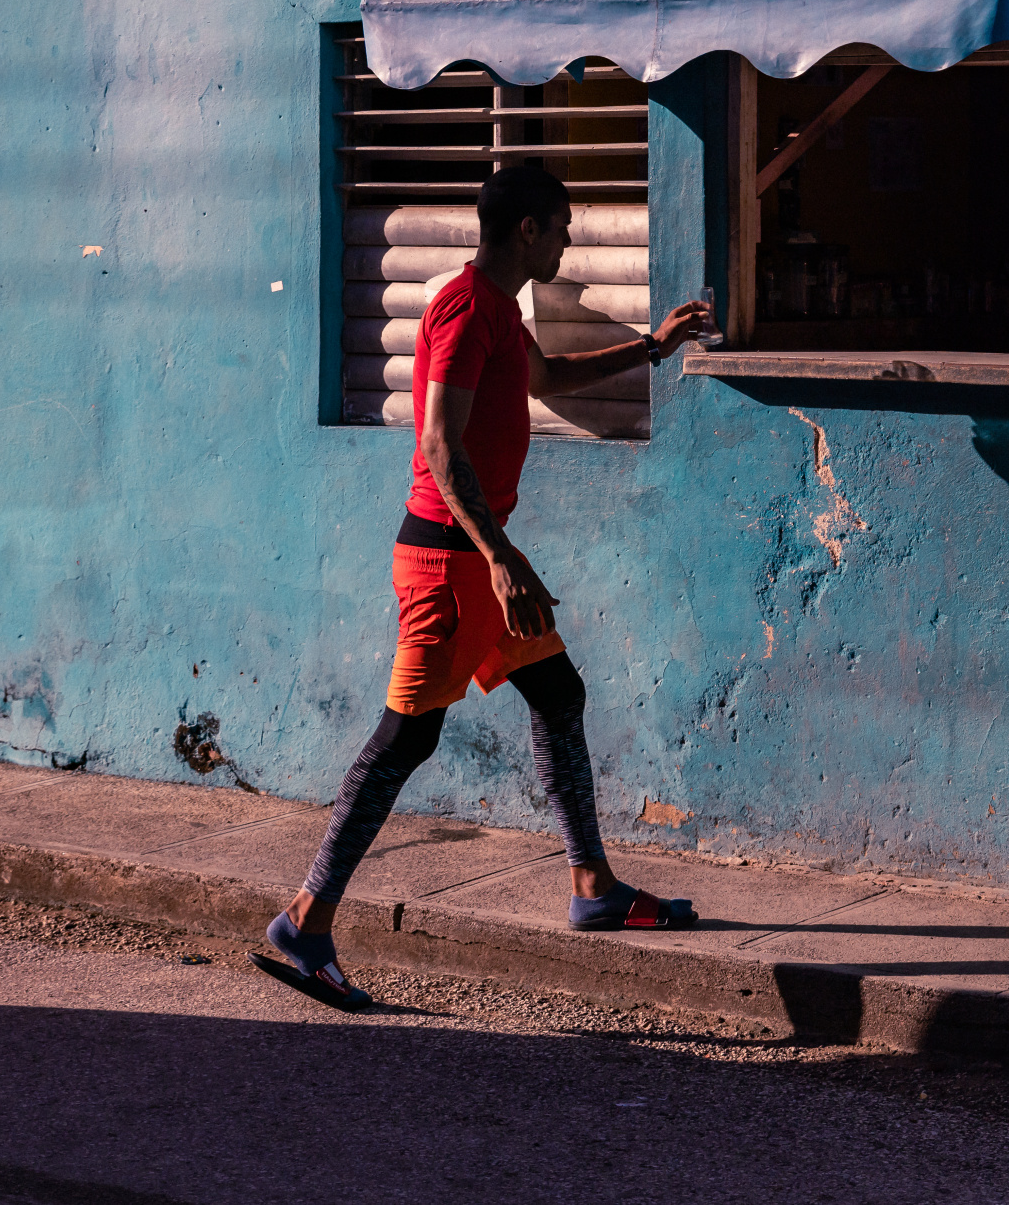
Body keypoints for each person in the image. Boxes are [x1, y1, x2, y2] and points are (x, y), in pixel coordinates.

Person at [253, 164, 710, 1011]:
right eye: (563, 226)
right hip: (450, 564)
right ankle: (306, 922)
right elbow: (438, 443)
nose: (570, 239)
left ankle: (592, 887)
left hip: (480, 556)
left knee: (558, 694)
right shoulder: (465, 309)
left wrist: (654, 345)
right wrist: (499, 558)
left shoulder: (498, 308)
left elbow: (547, 380)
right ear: (529, 229)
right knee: (403, 742)